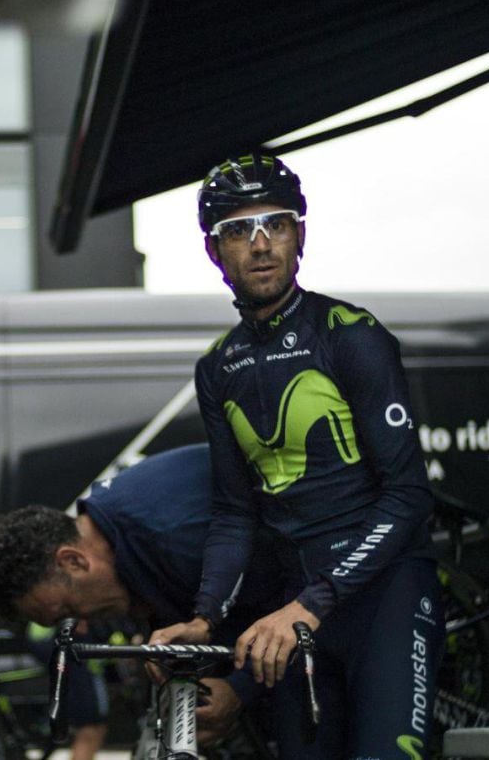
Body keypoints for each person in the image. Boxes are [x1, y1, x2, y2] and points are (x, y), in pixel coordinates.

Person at [151, 153, 445, 760]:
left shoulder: (351, 334)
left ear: (300, 235)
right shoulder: (216, 368)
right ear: (214, 252)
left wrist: (312, 604)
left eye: (276, 224)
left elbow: (409, 494)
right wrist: (206, 618)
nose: (260, 245)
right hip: (292, 615)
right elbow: (235, 514)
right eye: (238, 229)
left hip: (383, 600)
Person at [0, 444, 281, 748]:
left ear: (73, 561)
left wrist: (238, 689)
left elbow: (298, 604)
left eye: (70, 611)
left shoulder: (173, 535)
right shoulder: (113, 527)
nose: (82, 628)